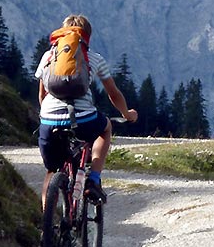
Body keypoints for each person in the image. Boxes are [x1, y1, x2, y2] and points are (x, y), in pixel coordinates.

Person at [34, 14, 138, 209]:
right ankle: (94, 179)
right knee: (105, 128)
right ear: (87, 36)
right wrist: (127, 114)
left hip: (49, 120)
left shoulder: (49, 56)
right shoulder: (93, 58)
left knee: (50, 171)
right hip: (83, 118)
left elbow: (42, 95)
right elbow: (113, 94)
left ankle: (48, 227)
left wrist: (46, 118)